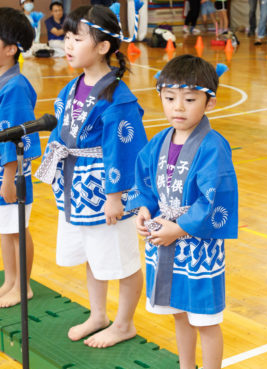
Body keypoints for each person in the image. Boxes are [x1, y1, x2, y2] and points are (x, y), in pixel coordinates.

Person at [35, 5, 147, 348]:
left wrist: (115, 196)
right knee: (92, 253)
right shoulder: (72, 87)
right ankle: (98, 315)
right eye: (67, 37)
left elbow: (125, 150)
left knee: (121, 259)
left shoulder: (118, 98)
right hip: (77, 185)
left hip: (106, 191)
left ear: (102, 46)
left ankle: (124, 323)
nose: (68, 44)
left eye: (77, 38)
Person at [126, 55, 238, 369]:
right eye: (170, 97)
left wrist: (180, 228)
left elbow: (214, 199)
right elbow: (144, 181)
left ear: (209, 102)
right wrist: (143, 208)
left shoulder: (212, 145)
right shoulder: (159, 141)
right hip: (165, 241)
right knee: (179, 313)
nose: (178, 107)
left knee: (205, 319)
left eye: (189, 99)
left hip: (197, 245)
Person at [0, 8, 41, 308]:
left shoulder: (15, 87)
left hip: (11, 173)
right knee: (5, 229)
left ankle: (23, 286)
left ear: (11, 49)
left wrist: (9, 178)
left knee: (16, 229)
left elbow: (14, 136)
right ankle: (10, 281)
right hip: (2, 172)